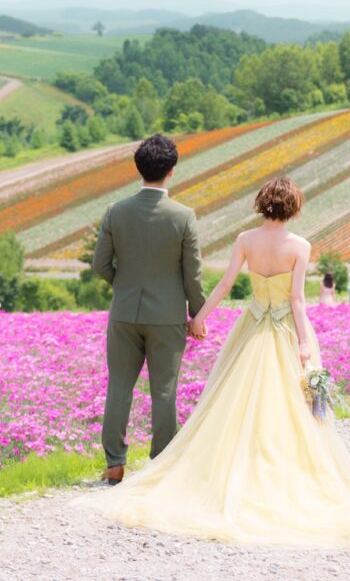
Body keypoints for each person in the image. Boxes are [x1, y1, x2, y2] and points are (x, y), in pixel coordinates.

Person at [86, 176, 350, 547]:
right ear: (294, 208)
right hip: (285, 330)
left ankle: (219, 467)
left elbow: (224, 285)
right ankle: (274, 470)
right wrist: (305, 343)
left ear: (262, 204)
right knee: (284, 405)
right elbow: (297, 300)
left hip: (251, 327)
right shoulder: (300, 246)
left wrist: (199, 318)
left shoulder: (245, 240)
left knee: (236, 399)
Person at [92, 133, 206, 486]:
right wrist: (197, 315)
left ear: (138, 168)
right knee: (165, 391)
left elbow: (100, 265)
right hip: (167, 317)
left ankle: (114, 463)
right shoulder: (183, 216)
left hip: (124, 313)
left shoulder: (115, 211)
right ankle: (161, 464)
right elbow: (193, 274)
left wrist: (124, 285)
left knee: (119, 387)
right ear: (172, 170)